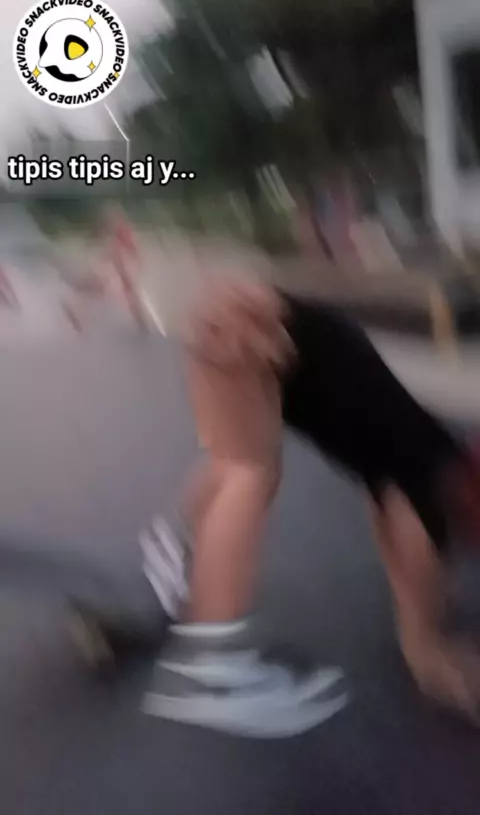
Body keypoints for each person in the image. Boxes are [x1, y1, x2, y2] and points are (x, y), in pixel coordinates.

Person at [141, 278, 480, 737]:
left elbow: (394, 520)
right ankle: (208, 667)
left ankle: (173, 540)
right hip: (263, 326)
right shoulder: (430, 485)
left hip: (264, 316)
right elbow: (408, 538)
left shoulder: (430, 459)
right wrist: (424, 646)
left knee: (241, 458)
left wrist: (426, 619)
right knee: (251, 472)